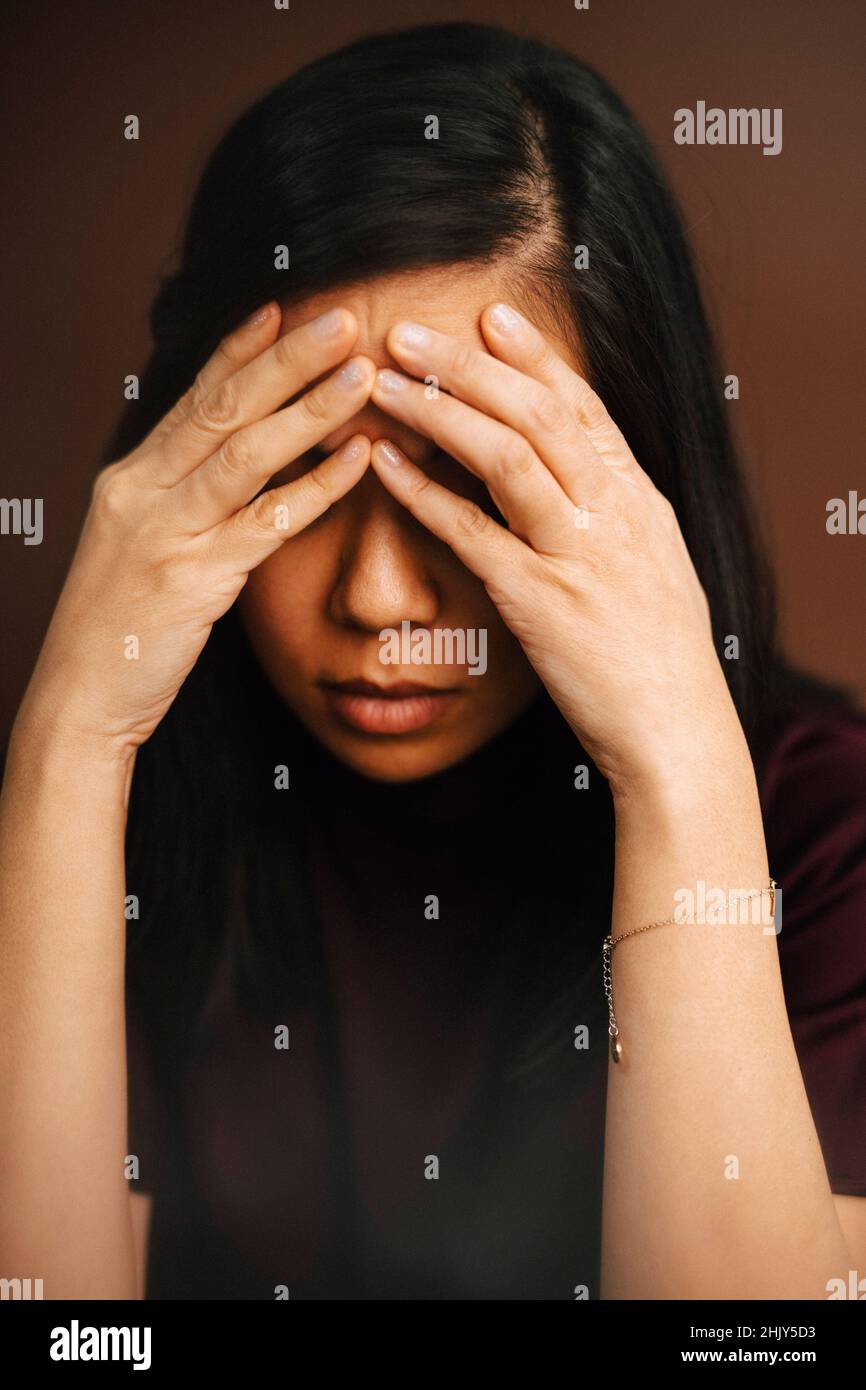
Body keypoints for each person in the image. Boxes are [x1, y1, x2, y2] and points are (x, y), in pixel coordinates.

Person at [1, 21, 864, 1301]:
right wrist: (70, 744)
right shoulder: (98, 823)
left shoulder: (826, 832)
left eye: (470, 482)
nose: (378, 597)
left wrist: (679, 773)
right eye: (299, 471)